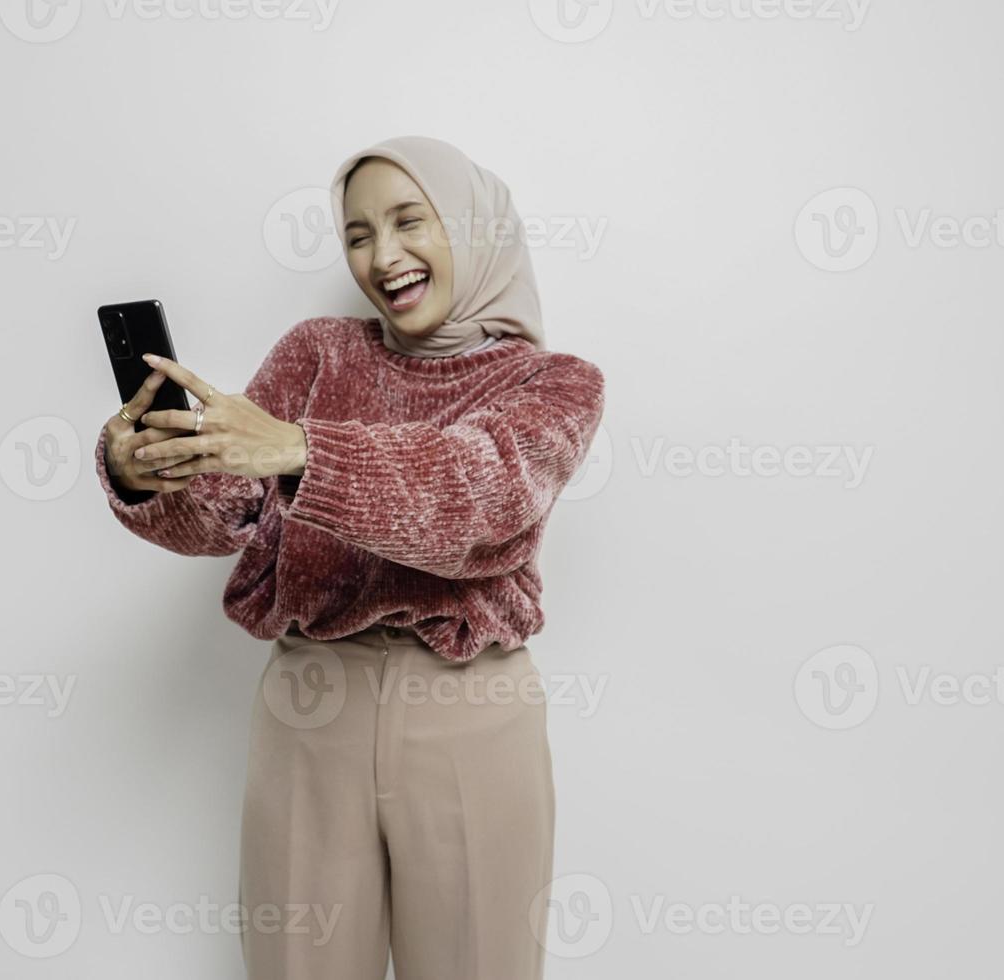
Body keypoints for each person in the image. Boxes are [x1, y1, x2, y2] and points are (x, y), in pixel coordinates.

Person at [96, 135, 605, 980]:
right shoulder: (318, 352)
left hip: (469, 710)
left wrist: (300, 450)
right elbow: (223, 515)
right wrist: (147, 475)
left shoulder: (554, 385)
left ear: (473, 228)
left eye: (411, 221)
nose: (383, 254)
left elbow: (476, 503)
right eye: (359, 233)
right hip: (308, 707)